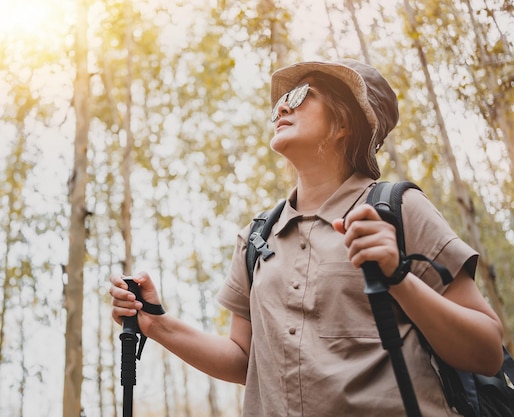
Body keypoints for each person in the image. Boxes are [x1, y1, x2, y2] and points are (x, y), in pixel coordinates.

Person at [109, 59, 504, 416]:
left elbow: (486, 351)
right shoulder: (256, 238)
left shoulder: (399, 209)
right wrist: (155, 323)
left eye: (299, 96)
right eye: (280, 100)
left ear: (344, 122)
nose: (281, 107)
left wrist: (398, 277)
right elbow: (244, 359)